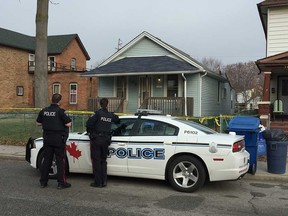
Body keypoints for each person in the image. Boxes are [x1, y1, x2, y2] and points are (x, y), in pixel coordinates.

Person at [36, 93, 72, 189]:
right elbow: (68, 124)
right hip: (58, 139)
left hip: (47, 138)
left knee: (47, 160)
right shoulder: (60, 112)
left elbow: (38, 123)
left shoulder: (44, 111)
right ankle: (61, 183)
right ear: (59, 101)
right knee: (60, 161)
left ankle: (43, 182)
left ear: (51, 100)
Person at [86, 98, 120, 188]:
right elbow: (118, 120)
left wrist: (91, 132)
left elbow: (88, 124)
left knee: (96, 161)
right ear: (107, 104)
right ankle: (104, 181)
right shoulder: (110, 115)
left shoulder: (97, 114)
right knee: (103, 161)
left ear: (100, 104)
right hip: (106, 140)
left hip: (97, 139)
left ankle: (98, 182)